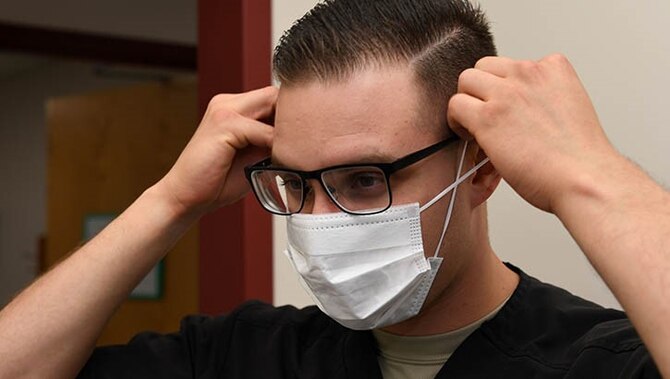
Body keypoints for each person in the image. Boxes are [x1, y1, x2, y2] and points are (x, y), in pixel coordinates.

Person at [0, 0, 668, 378]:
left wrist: (590, 175)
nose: (319, 220)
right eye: (295, 184)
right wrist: (171, 200)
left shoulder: (599, 363)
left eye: (362, 179)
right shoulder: (248, 356)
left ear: (482, 167)